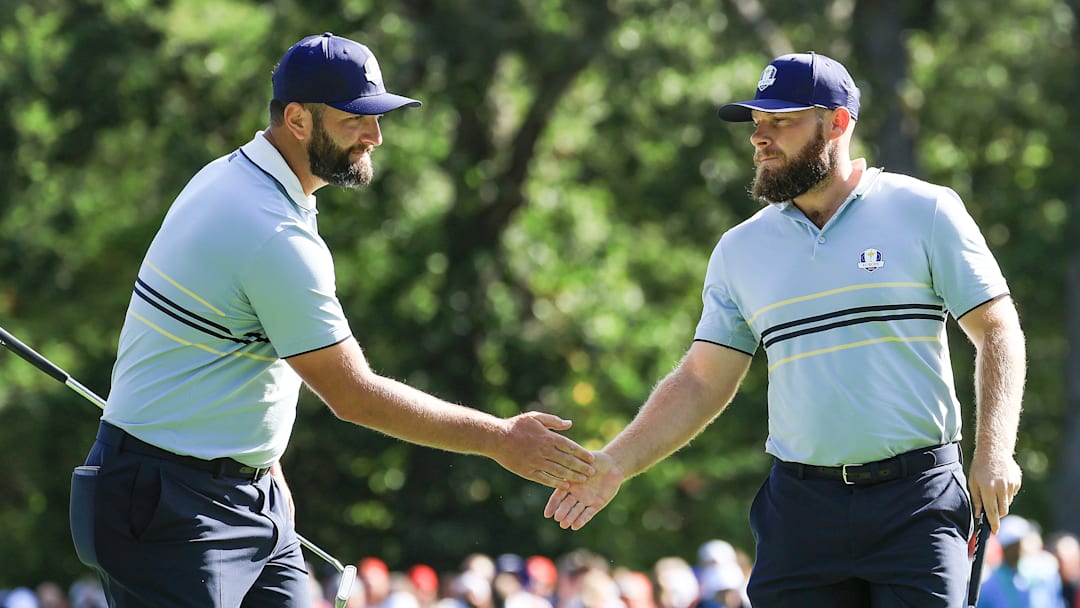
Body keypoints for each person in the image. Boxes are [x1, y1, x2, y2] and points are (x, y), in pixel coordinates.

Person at [72, 32, 595, 607]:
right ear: (297, 120)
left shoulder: (239, 178)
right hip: (165, 509)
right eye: (355, 120)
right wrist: (499, 439)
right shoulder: (271, 229)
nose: (374, 136)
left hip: (245, 493)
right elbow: (354, 396)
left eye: (378, 117)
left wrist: (263, 465)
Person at [544, 51, 1026, 607]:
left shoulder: (926, 210)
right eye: (757, 124)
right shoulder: (740, 249)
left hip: (917, 501)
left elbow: (997, 329)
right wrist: (616, 462)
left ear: (838, 123)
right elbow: (702, 380)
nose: (761, 138)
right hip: (800, 509)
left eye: (781, 121)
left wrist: (994, 450)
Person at [978, 515, 1066, 607]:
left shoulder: (1046, 572)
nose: (1019, 549)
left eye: (1021, 542)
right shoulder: (990, 584)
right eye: (1013, 545)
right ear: (1004, 548)